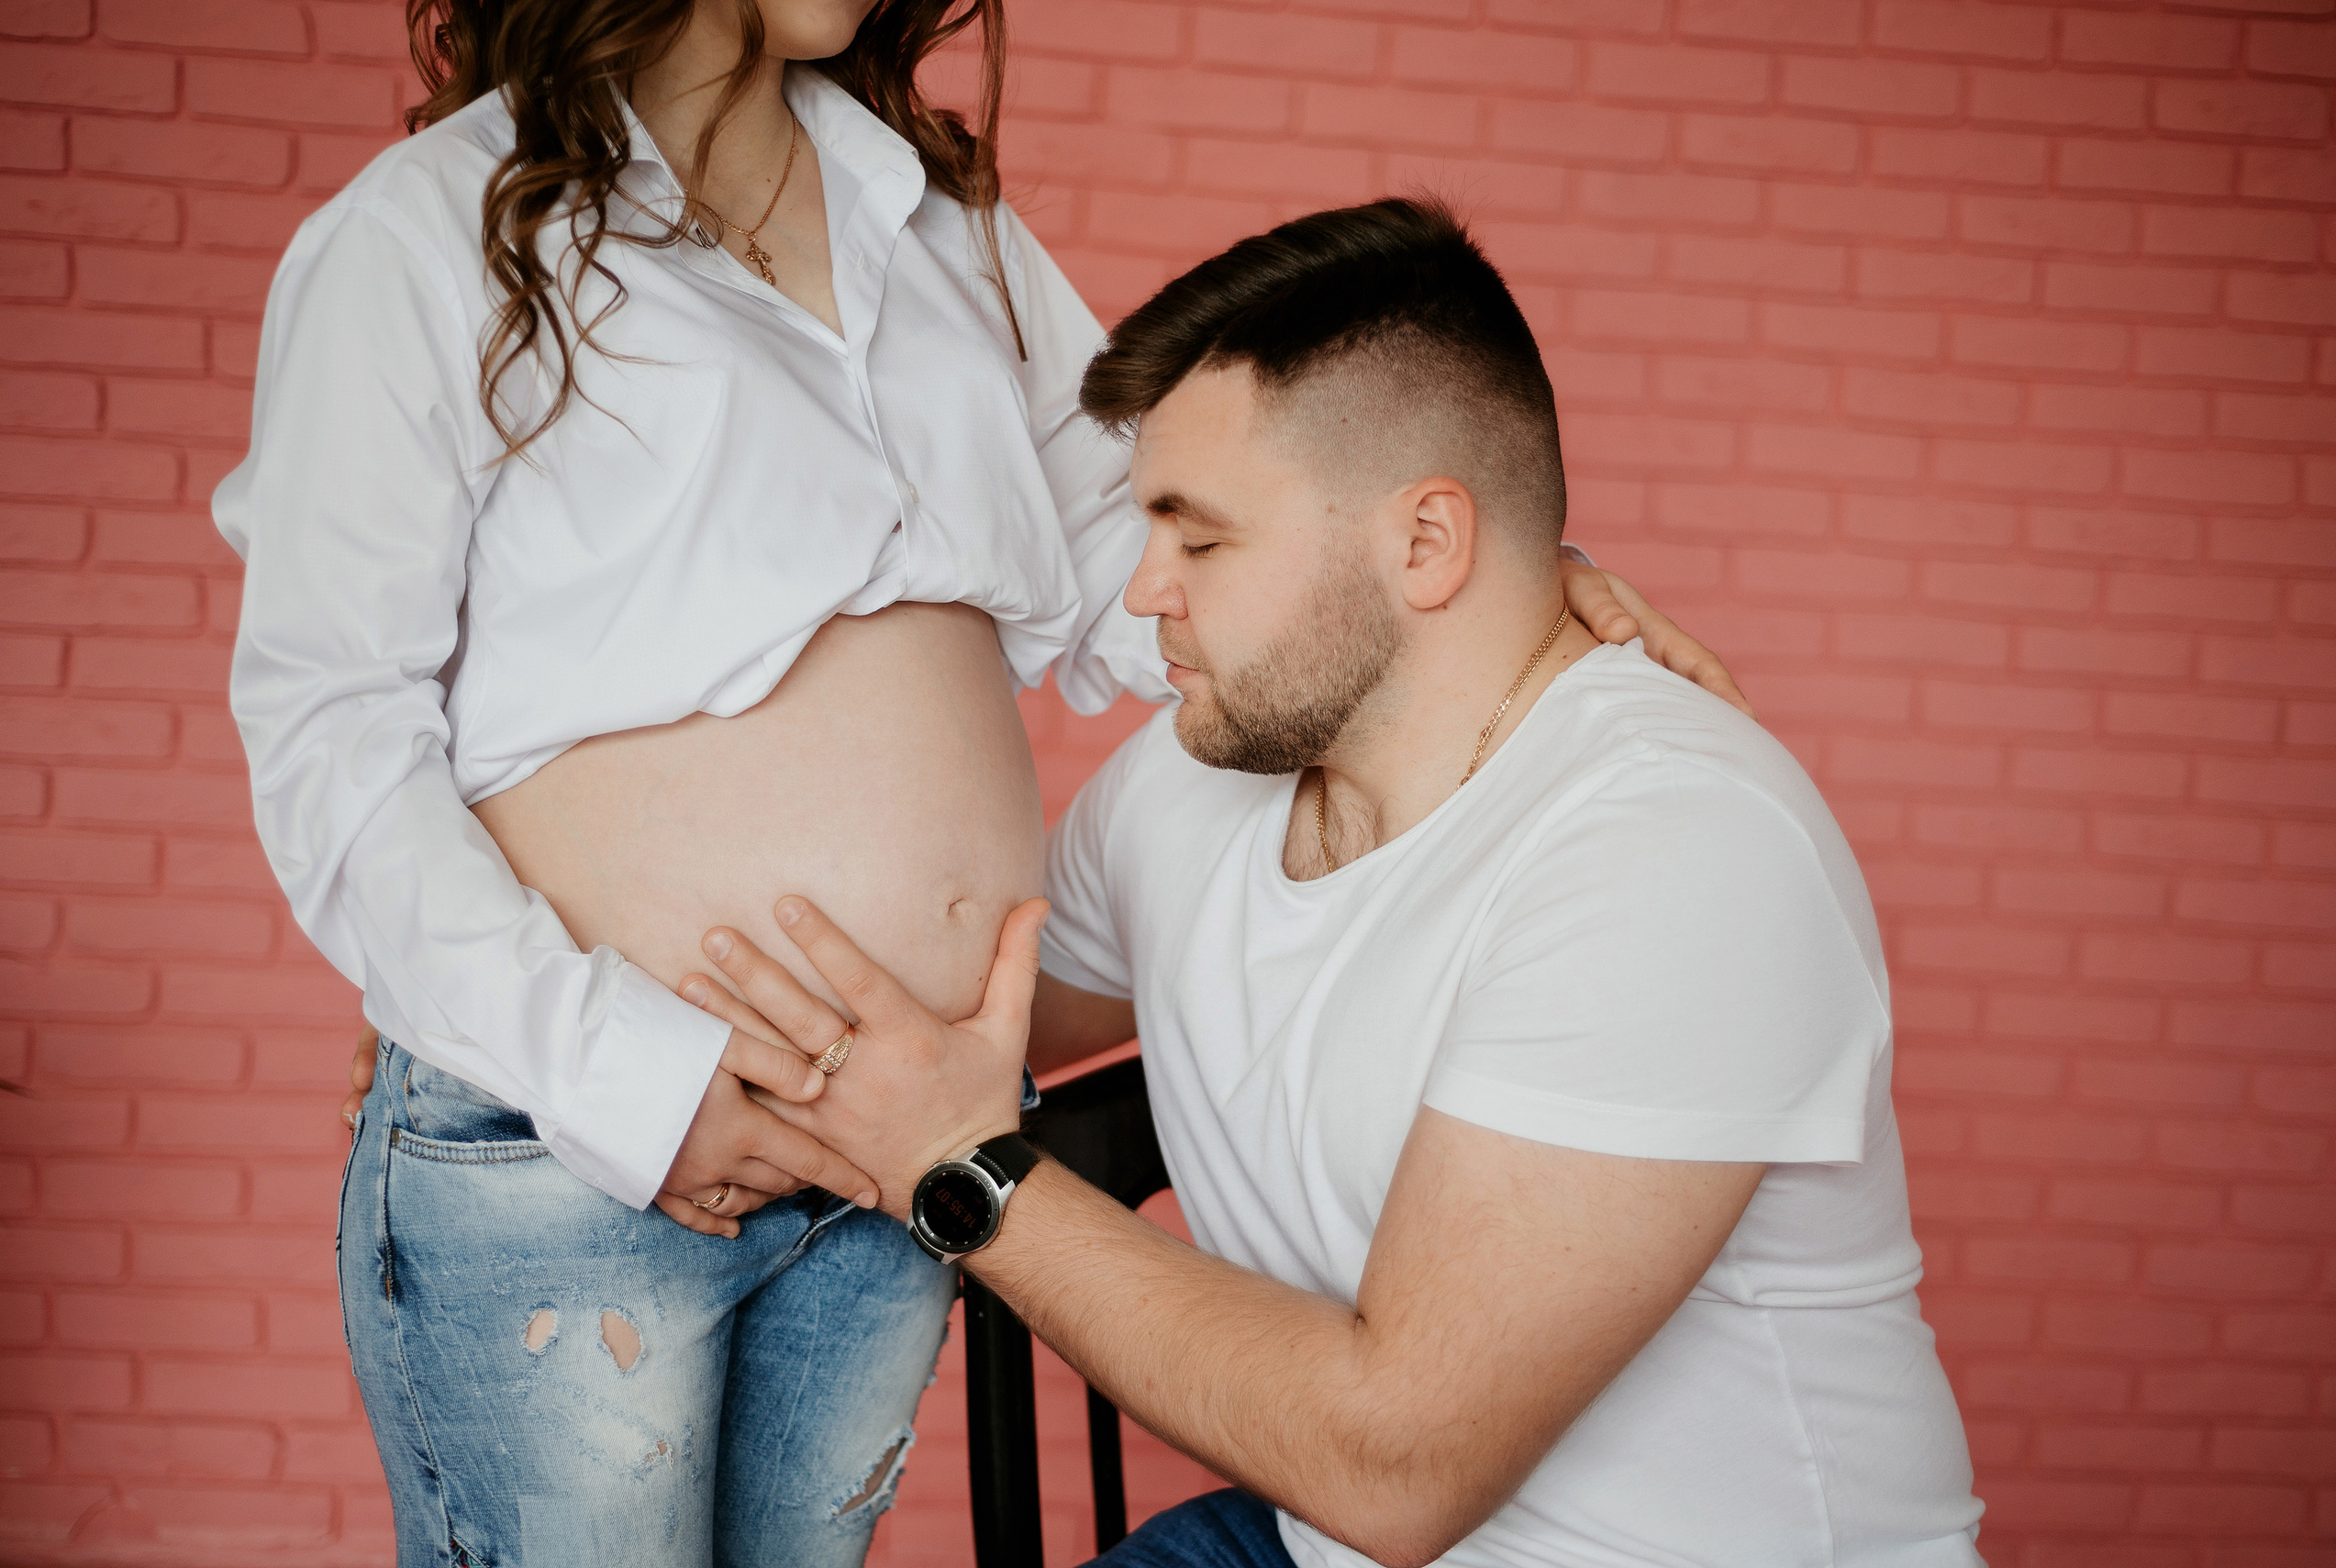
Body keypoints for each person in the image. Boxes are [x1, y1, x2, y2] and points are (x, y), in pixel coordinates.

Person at [230, 2, 1736, 1562]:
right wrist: (610, 1073)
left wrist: (1475, 600)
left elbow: (1154, 564)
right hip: (597, 1141)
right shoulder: (418, 241)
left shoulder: (940, 226)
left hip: (899, 1138)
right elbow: (331, 730)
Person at [687, 198, 1986, 1568]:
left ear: (1426, 543)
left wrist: (968, 1171)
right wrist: (640, 1066)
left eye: (1201, 539)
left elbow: (1398, 1466)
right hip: (1311, 1539)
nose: (1141, 594)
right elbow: (952, 1016)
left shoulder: (1676, 848)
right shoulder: (1186, 786)